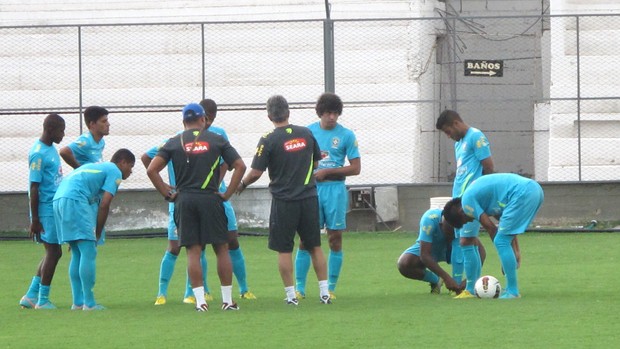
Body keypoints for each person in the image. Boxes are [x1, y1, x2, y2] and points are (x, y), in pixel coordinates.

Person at [146, 103, 246, 312]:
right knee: (221, 248)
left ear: (183, 122)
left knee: (193, 250)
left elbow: (152, 169)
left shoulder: (173, 142)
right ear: (203, 120)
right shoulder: (217, 139)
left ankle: (200, 302)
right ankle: (227, 300)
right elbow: (240, 166)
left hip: (185, 200)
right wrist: (227, 194)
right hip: (211, 197)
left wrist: (166, 193)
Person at [236, 95, 331, 306]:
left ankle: (291, 295)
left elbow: (255, 173)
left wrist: (240, 185)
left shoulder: (268, 139)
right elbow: (316, 161)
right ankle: (324, 293)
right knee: (314, 245)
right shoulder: (306, 133)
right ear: (288, 112)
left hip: (284, 201)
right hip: (308, 198)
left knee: (284, 248)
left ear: (269, 115)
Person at [294, 92, 360, 300]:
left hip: (335, 190)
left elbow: (356, 168)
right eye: (328, 113)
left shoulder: (347, 135)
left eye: (335, 113)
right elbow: (298, 161)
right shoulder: (307, 133)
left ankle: (330, 287)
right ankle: (300, 288)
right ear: (320, 113)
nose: (331, 117)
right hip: (312, 191)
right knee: (306, 239)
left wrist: (327, 172)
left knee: (335, 238)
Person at [53, 148, 135, 310]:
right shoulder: (114, 171)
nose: (130, 171)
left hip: (59, 199)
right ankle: (89, 303)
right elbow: (105, 204)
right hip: (75, 198)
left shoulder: (99, 167)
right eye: (130, 166)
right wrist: (96, 233)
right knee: (89, 251)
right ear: (122, 162)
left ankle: (77, 302)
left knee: (77, 251)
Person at [442, 173, 544, 299]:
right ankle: (511, 288)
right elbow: (505, 226)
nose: (469, 222)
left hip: (522, 193)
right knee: (503, 238)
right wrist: (515, 252)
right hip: (534, 189)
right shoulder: (479, 198)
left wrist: (504, 257)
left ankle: (512, 291)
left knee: (500, 241)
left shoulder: (467, 202)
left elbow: (490, 228)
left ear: (461, 212)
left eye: (465, 221)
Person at [200, 98, 256, 300]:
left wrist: (219, 183)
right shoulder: (187, 136)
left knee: (231, 239)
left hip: (219, 194)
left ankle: (244, 288)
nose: (208, 123)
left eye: (211, 119)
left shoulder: (219, 134)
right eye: (205, 118)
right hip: (197, 196)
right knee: (198, 245)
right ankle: (203, 291)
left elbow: (229, 162)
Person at [436, 110, 493, 299]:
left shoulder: (476, 137)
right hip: (458, 202)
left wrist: (481, 196)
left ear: (455, 124)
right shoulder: (459, 144)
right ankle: (473, 286)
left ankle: (470, 288)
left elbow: (488, 167)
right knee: (465, 242)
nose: (448, 135)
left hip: (471, 200)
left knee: (466, 241)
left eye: (447, 131)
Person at [19, 114, 66, 309]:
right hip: (45, 210)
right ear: (50, 130)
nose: (63, 135)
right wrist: (35, 219)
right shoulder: (38, 153)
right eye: (61, 131)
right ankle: (43, 299)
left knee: (53, 252)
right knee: (54, 252)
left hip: (52, 207)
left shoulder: (50, 149)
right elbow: (34, 187)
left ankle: (31, 295)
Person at [397, 208, 469, 295]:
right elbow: (424, 255)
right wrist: (446, 277)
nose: (451, 236)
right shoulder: (429, 219)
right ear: (440, 225)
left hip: (454, 250)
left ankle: (464, 286)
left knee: (474, 251)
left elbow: (480, 253)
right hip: (430, 248)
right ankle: (436, 280)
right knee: (404, 264)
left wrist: (469, 279)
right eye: (449, 233)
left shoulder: (463, 222)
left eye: (454, 233)